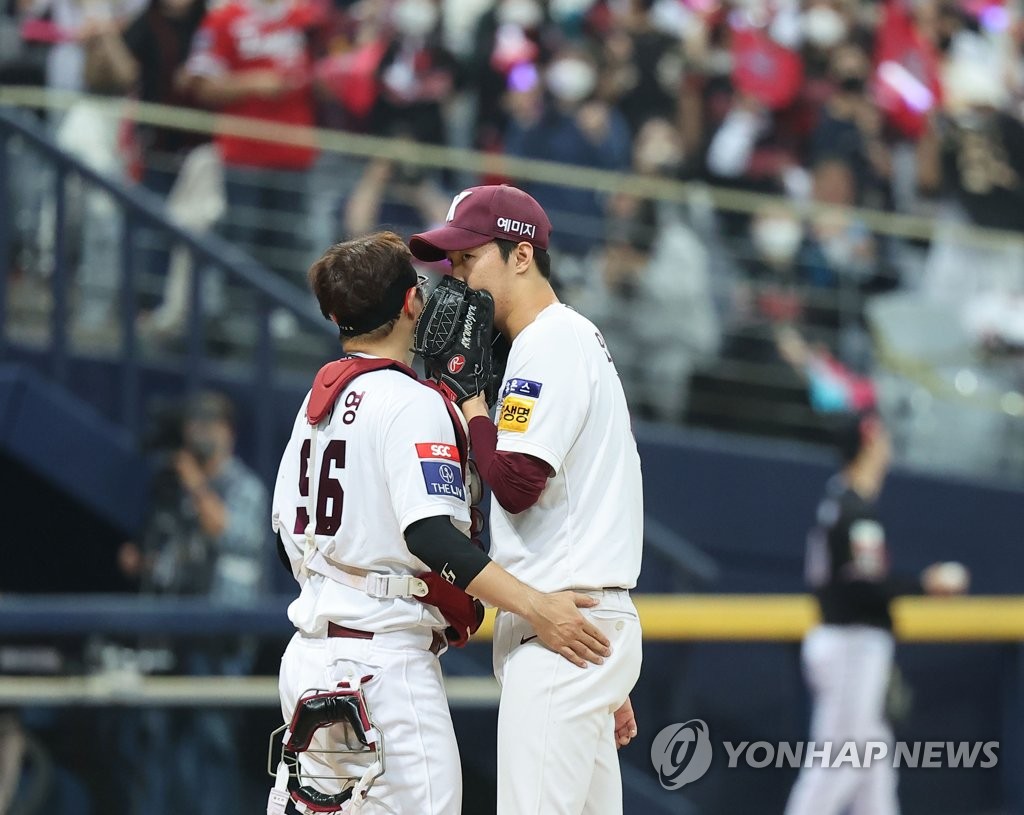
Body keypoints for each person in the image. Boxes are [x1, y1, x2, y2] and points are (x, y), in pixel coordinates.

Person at [270, 230, 610, 814]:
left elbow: (284, 536)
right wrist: (534, 606)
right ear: (409, 303)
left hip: (310, 655)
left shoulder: (318, 399)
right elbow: (429, 535)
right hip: (383, 665)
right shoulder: (411, 401)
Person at [409, 184, 644, 815]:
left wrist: (473, 405)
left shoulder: (550, 339)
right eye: (452, 264)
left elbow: (515, 485)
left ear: (520, 255)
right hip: (580, 627)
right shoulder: (559, 341)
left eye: (469, 259)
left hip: (559, 633)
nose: (457, 278)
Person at [784, 411, 970, 815]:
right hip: (852, 643)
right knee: (839, 766)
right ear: (868, 445)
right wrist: (927, 584)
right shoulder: (854, 509)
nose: (887, 449)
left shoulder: (839, 500)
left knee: (874, 772)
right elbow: (867, 587)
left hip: (844, 640)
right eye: (881, 440)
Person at [116, 390, 269, 815]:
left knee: (212, 739)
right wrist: (144, 559)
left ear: (229, 432)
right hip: (173, 627)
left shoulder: (244, 487)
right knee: (157, 739)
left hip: (221, 636)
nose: (200, 431)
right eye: (194, 422)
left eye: (210, 423)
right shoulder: (179, 485)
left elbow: (224, 530)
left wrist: (195, 483)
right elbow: (173, 548)